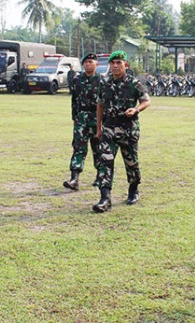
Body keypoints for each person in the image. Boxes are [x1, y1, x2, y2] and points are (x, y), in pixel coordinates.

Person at [93, 50, 151, 213]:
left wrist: (136, 109)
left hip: (128, 129)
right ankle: (105, 198)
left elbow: (146, 101)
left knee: (131, 162)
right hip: (109, 129)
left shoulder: (134, 83)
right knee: (105, 162)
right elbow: (100, 105)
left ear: (126, 65)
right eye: (113, 63)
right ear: (109, 65)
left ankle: (133, 190)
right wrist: (99, 128)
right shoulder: (104, 83)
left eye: (119, 63)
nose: (116, 66)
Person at [63, 53, 102, 192]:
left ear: (96, 64)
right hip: (81, 118)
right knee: (78, 147)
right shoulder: (77, 79)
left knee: (98, 149)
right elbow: (74, 99)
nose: (87, 64)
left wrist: (103, 122)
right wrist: (74, 117)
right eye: (85, 62)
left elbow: (105, 102)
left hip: (97, 118)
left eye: (90, 62)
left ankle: (100, 176)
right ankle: (74, 179)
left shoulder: (102, 80)